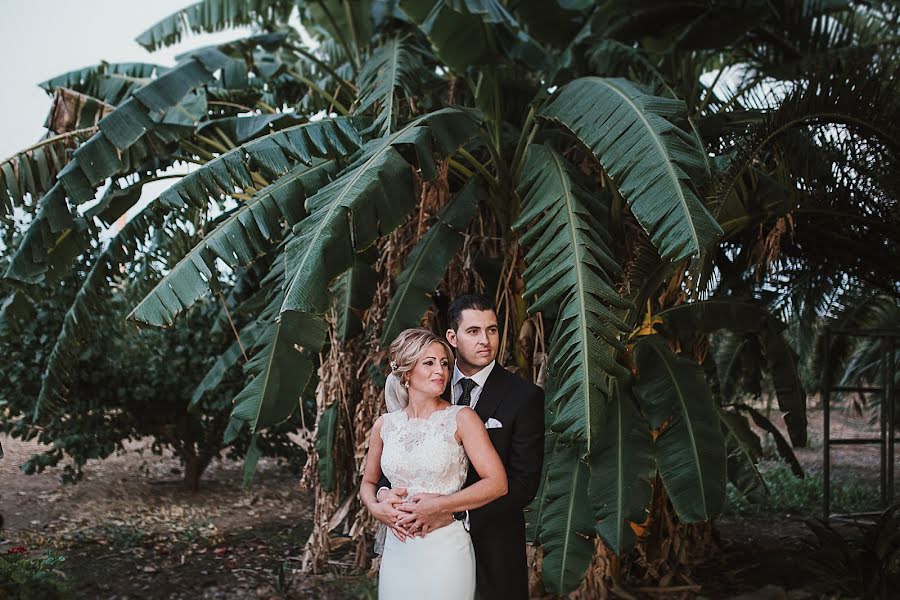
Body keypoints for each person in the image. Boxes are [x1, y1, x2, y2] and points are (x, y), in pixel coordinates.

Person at [375, 294, 545, 600]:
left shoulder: (524, 396)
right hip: (417, 539)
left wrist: (455, 514)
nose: (486, 340)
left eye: (492, 330)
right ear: (452, 336)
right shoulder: (425, 382)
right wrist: (385, 496)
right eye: (474, 331)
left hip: (494, 540)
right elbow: (401, 450)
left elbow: (524, 482)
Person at [360, 328, 508, 600]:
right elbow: (368, 482)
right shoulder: (385, 425)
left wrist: (441, 505)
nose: (440, 370)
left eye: (443, 363)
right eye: (428, 363)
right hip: (398, 548)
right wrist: (376, 507)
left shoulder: (462, 418)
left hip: (444, 548)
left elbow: (497, 483)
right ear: (406, 373)